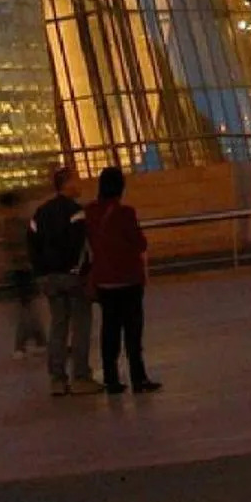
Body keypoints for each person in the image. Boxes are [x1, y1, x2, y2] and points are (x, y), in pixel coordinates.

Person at [84, 167, 159, 394]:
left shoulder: (90, 212)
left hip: (104, 280)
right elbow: (139, 243)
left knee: (110, 328)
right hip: (128, 279)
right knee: (133, 330)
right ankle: (138, 377)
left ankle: (111, 378)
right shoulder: (125, 213)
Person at [26, 168, 101, 396]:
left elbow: (32, 244)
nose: (80, 183)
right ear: (66, 183)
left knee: (58, 325)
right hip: (72, 277)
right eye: (76, 179)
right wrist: (79, 271)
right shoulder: (76, 212)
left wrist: (41, 272)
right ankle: (81, 376)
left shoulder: (40, 213)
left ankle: (57, 378)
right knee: (80, 324)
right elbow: (79, 245)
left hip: (48, 278)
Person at [0, 189, 47, 358]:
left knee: (26, 309)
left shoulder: (11, 226)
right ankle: (38, 341)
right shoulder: (20, 224)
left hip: (21, 270)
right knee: (28, 309)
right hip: (23, 270)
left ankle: (24, 344)